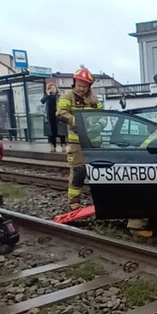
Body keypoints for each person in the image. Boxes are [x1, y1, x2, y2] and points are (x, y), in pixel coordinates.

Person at [56, 67, 103, 210]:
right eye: (79, 85)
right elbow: (60, 113)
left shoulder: (94, 100)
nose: (81, 88)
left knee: (98, 171)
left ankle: (100, 199)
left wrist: (98, 124)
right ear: (74, 82)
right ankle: (74, 202)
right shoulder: (67, 97)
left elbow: (103, 116)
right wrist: (79, 123)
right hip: (76, 142)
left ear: (89, 86)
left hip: (94, 141)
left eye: (85, 86)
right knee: (78, 171)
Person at [41, 82, 67, 150]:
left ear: (56, 88)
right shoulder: (47, 96)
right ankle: (53, 145)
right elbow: (42, 101)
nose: (52, 89)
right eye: (50, 88)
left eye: (53, 88)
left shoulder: (59, 95)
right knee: (51, 131)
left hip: (59, 114)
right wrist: (47, 94)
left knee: (61, 130)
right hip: (50, 115)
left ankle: (63, 144)